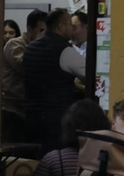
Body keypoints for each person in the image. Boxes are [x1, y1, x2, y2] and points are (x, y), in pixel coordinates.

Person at [22, 9, 82, 150]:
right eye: (69, 25)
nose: (72, 29)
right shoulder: (65, 50)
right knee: (55, 163)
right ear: (61, 26)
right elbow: (89, 73)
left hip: (31, 118)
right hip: (56, 120)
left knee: (35, 162)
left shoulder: (30, 48)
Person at [2, 9, 47, 142]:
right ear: (29, 29)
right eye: (41, 30)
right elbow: (26, 67)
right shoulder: (15, 44)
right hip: (12, 108)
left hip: (28, 108)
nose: (45, 35)